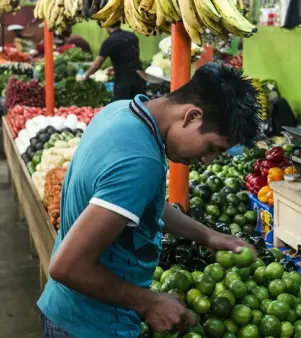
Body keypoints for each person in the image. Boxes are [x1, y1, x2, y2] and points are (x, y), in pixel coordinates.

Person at [37, 62, 262, 337]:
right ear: (191, 116)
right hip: (89, 325)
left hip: (70, 313)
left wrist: (208, 236)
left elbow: (139, 204)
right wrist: (149, 302)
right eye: (212, 147)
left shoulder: (121, 112)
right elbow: (66, 266)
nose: (207, 160)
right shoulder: (140, 161)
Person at [82, 22, 146, 101]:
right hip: (140, 79)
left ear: (106, 26)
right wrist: (115, 67)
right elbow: (130, 58)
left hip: (124, 83)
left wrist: (86, 75)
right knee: (140, 107)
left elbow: (97, 65)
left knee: (121, 108)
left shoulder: (109, 42)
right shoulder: (132, 36)